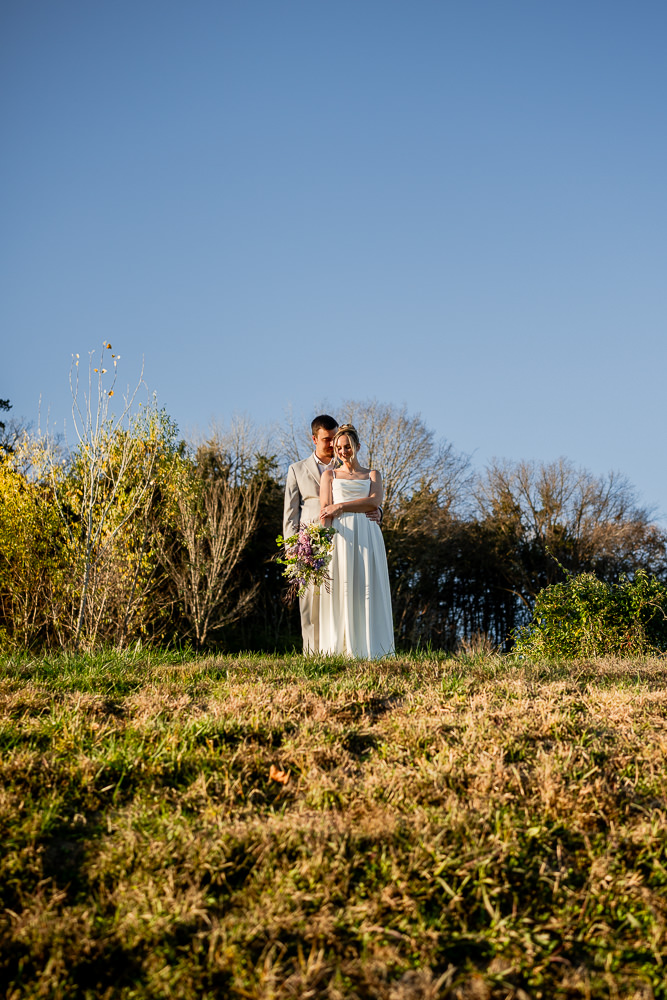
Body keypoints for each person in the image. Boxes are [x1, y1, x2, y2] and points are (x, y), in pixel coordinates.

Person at [283, 415, 381, 653]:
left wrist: (379, 511)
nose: (331, 444)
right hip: (309, 541)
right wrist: (292, 548)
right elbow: (290, 512)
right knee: (309, 606)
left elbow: (367, 494)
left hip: (343, 538)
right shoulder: (297, 470)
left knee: (340, 598)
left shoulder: (344, 465)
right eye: (326, 440)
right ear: (314, 439)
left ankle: (342, 650)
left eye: (334, 439)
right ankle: (312, 657)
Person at [319, 424, 394, 658]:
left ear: (358, 447)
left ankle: (371, 647)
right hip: (341, 537)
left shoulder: (373, 475)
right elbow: (325, 511)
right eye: (339, 448)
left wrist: (340, 506)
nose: (343, 451)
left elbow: (374, 502)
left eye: (348, 447)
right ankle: (342, 649)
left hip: (368, 534)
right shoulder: (329, 475)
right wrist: (323, 543)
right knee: (343, 587)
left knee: (367, 586)